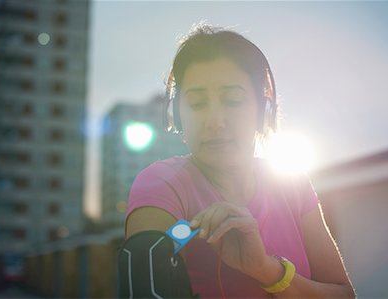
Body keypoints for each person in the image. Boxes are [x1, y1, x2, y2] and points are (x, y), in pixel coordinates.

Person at [124, 22, 356, 298]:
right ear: (177, 115)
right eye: (197, 103)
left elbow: (343, 294)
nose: (214, 122)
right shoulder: (162, 185)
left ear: (263, 110)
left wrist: (265, 269)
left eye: (232, 100)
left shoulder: (293, 185)